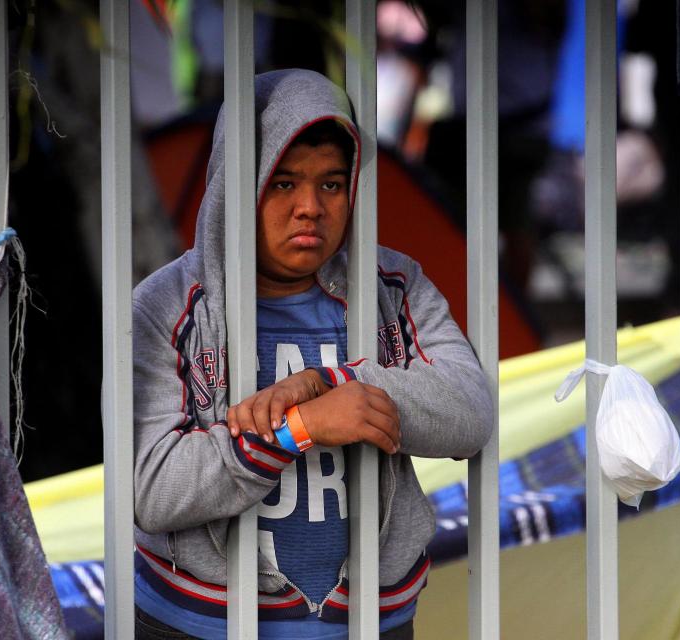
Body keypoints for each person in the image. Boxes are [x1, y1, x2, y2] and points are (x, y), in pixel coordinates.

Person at [132, 69, 494, 640]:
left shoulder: (393, 286)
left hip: (372, 621)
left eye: (331, 184)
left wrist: (332, 382)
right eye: (283, 183)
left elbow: (469, 410)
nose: (310, 207)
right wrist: (298, 428)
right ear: (236, 187)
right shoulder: (168, 305)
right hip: (202, 624)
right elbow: (153, 490)